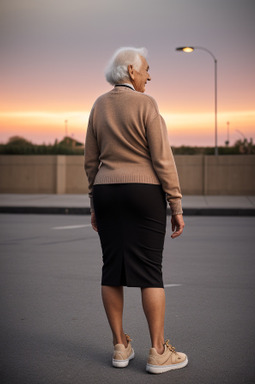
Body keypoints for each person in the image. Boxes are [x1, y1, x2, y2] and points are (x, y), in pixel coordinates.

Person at [84, 47, 188, 374]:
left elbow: (91, 161)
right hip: (143, 192)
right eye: (146, 70)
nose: (149, 76)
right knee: (149, 271)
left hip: (106, 191)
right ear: (131, 70)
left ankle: (119, 346)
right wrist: (176, 204)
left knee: (111, 268)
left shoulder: (99, 105)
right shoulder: (147, 104)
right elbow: (162, 160)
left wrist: (94, 202)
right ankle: (158, 352)